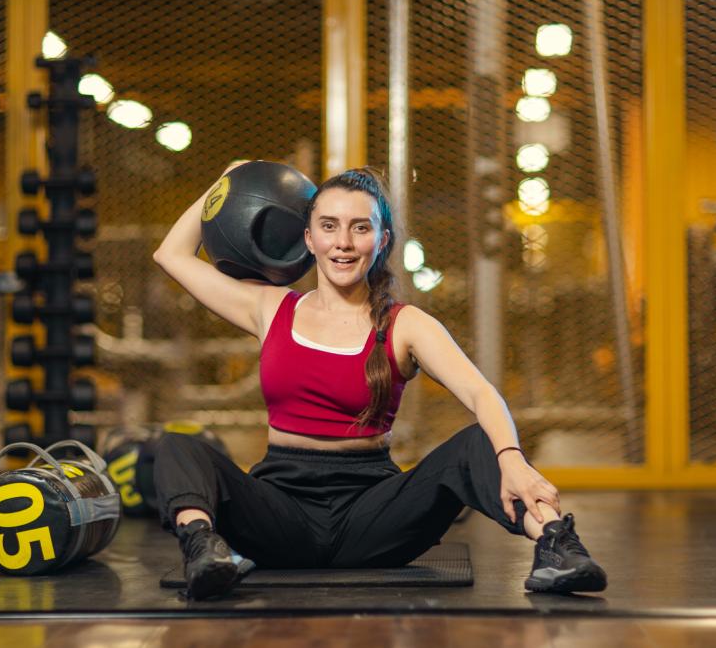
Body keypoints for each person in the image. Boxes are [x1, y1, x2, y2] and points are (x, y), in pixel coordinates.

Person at [151, 164, 607, 599]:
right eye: (328, 226)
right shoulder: (270, 308)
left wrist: (512, 459)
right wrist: (229, 182)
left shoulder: (406, 324)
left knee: (478, 445)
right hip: (278, 516)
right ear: (308, 239)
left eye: (360, 228)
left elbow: (480, 392)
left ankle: (557, 545)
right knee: (179, 444)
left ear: (382, 239)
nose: (343, 243)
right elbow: (170, 254)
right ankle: (204, 550)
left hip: (374, 518)